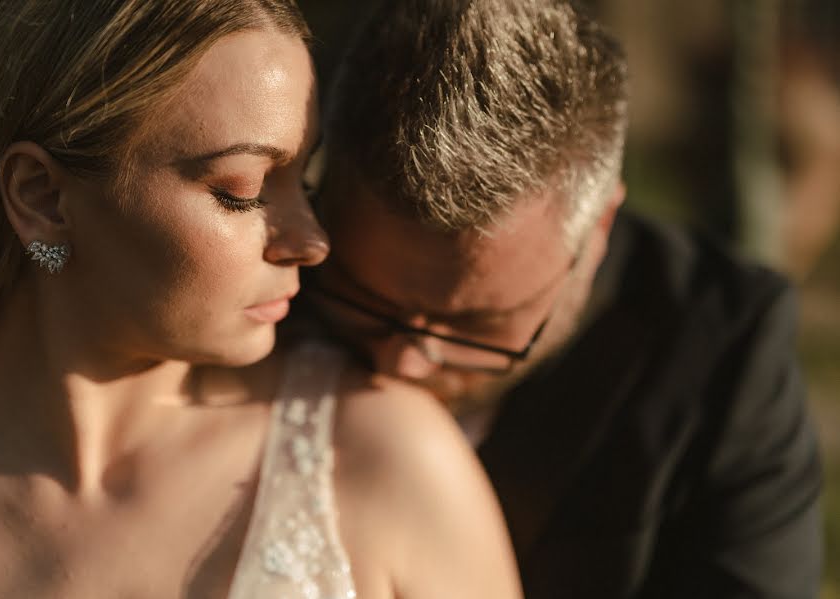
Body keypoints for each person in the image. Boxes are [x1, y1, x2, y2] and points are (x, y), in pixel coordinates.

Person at [0, 2, 522, 598]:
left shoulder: (384, 457)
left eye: (306, 180)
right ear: (41, 198)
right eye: (243, 193)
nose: (313, 241)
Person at [302, 0, 825, 597]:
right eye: (363, 299)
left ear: (597, 231)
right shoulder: (258, 290)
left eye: (475, 325)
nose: (404, 362)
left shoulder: (723, 348)